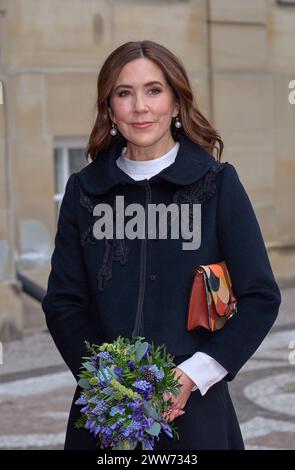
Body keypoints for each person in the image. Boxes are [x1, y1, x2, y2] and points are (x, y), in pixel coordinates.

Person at [42, 40, 281, 450]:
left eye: (154, 90)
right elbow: (64, 302)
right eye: (124, 93)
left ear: (175, 103)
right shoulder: (84, 190)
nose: (140, 107)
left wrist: (193, 375)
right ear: (109, 108)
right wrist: (106, 378)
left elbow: (261, 296)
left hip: (197, 414)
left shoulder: (217, 184)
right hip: (104, 413)